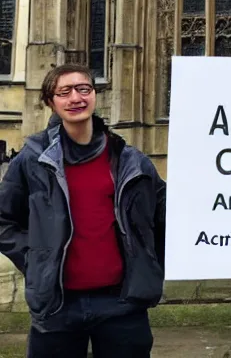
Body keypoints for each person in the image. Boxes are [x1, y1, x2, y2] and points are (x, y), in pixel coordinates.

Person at [0, 65, 166, 358]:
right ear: (51, 102)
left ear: (94, 96)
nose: (75, 97)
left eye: (83, 89)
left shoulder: (131, 161)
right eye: (64, 92)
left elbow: (167, 217)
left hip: (122, 304)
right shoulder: (33, 159)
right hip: (57, 304)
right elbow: (4, 220)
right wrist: (35, 256)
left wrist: (149, 264)